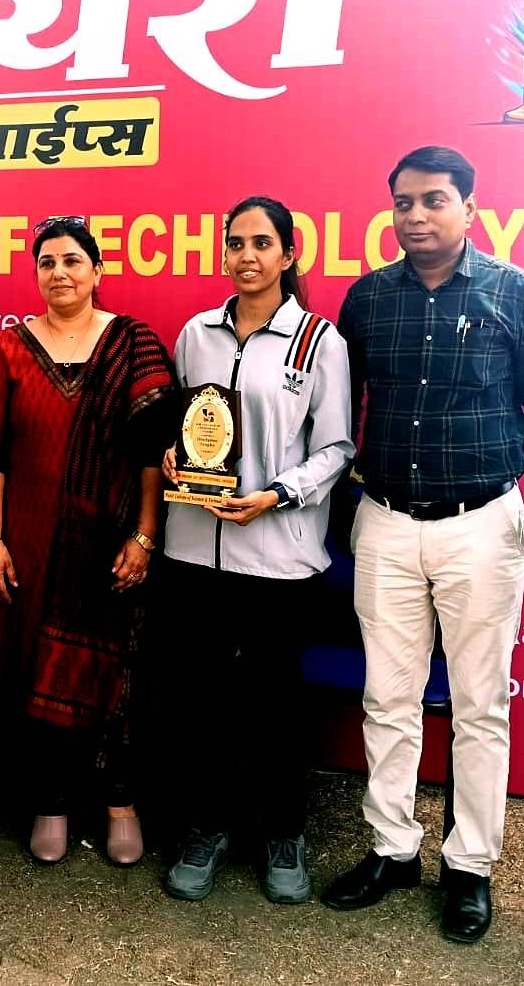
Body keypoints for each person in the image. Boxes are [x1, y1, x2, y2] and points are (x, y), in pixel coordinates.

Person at [324, 146, 524, 942]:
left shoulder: (517, 294)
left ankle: (470, 865)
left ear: (469, 207)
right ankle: (392, 849)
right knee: (389, 698)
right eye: (403, 203)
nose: (416, 216)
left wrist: (493, 470)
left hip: (480, 523)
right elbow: (343, 406)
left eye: (434, 200)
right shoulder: (367, 299)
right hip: (386, 521)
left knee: (478, 705)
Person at [156, 196, 354, 905]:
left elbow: (338, 447)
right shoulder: (196, 333)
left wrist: (278, 494)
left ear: (288, 253)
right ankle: (206, 828)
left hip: (276, 557)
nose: (246, 256)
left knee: (276, 704)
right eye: (235, 242)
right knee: (201, 700)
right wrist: (174, 455)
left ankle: (283, 833)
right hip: (193, 551)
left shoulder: (317, 342)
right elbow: (189, 425)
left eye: (262, 243)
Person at [0, 218, 175, 866]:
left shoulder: (132, 342)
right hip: (30, 542)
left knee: (118, 672)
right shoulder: (10, 348)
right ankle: (49, 799)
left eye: (72, 260)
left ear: (97, 271)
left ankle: (119, 801)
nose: (59, 273)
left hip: (112, 541)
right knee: (35, 666)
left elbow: (152, 453)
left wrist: (145, 536)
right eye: (47, 262)